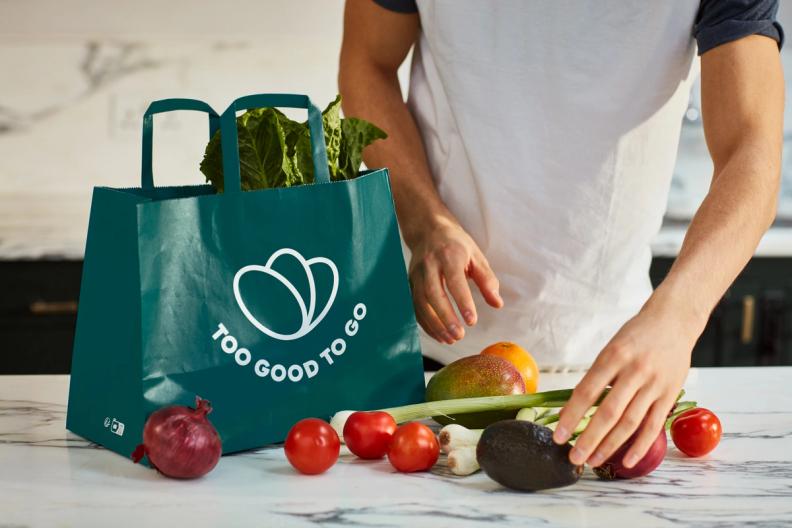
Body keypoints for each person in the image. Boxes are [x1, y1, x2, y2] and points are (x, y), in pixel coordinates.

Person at [338, 1, 784, 470]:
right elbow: (368, 64)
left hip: (610, 363)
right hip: (428, 351)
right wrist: (426, 220)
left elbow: (751, 151)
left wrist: (678, 318)